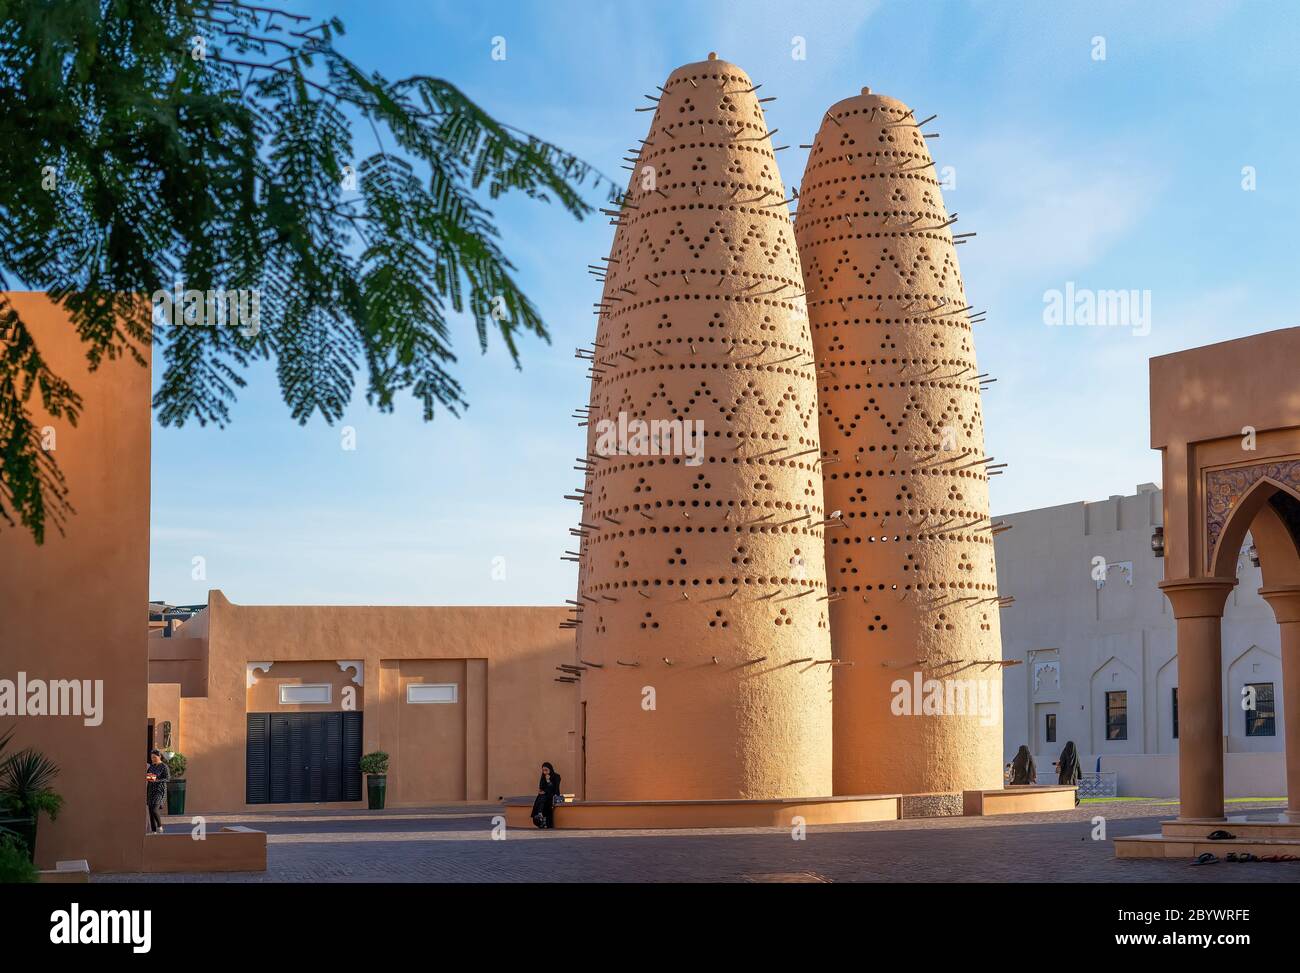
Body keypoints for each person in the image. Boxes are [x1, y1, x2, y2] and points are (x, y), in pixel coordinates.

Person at [530, 762, 561, 829]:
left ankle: (540, 813)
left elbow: (554, 788)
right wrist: (541, 791)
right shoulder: (543, 777)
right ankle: (540, 815)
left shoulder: (556, 776)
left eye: (546, 770)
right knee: (541, 797)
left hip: (552, 795)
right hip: (544, 796)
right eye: (543, 770)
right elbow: (541, 787)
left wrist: (548, 780)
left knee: (543, 797)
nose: (545, 772)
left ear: (550, 769)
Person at [146, 749, 170, 833]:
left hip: (160, 790)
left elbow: (167, 778)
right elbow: (148, 777)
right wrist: (149, 778)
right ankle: (153, 831)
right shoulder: (151, 767)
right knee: (150, 810)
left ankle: (159, 826)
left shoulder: (164, 766)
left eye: (154, 757)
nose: (152, 759)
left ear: (159, 756)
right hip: (151, 790)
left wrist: (157, 780)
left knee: (154, 809)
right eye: (151, 757)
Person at [1057, 740, 1082, 805]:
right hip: (1073, 775)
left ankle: (1065, 801)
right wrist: (1080, 775)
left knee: (1064, 787)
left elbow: (1062, 763)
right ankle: (1075, 800)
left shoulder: (1065, 752)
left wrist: (1058, 764)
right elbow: (1078, 765)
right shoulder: (1075, 755)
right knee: (1073, 787)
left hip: (1065, 774)